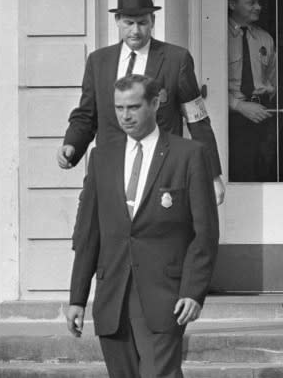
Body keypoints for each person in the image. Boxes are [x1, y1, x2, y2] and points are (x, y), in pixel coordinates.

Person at [66, 74, 219, 378]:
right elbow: (89, 233)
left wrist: (193, 290)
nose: (125, 116)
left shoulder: (188, 155)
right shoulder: (101, 157)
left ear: (155, 102)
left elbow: (205, 233)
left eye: (134, 107)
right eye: (119, 108)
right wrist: (77, 298)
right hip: (112, 295)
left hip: (166, 295)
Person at [57, 0, 225, 205]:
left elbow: (197, 120)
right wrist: (72, 144)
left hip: (161, 173)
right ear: (117, 21)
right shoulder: (98, 61)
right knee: (94, 235)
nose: (135, 31)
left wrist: (212, 175)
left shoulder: (176, 60)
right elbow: (87, 115)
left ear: (153, 21)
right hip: (110, 171)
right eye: (128, 23)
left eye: (142, 23)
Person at [228, 0, 278, 181]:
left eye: (259, 2)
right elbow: (209, 85)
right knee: (238, 174)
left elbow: (271, 79)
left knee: (263, 174)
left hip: (261, 116)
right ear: (232, 3)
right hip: (231, 118)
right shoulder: (218, 37)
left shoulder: (265, 39)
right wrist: (238, 106)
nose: (258, 7)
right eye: (251, 2)